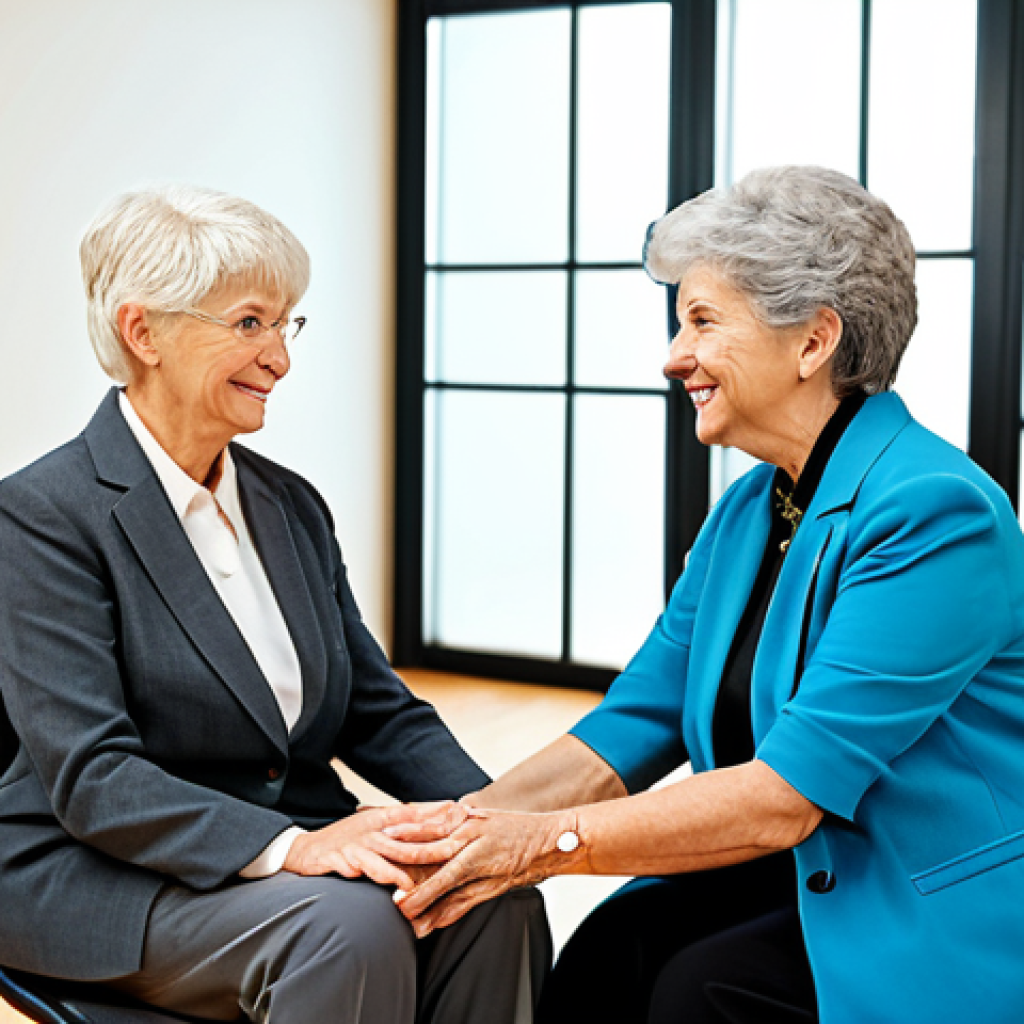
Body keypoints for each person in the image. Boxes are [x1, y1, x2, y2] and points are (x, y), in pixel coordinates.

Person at [385, 166, 1024, 1024]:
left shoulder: (938, 512)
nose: (673, 356)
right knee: (609, 956)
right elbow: (631, 725)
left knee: (698, 993)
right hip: (784, 875)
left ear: (813, 341)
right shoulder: (752, 510)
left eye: (702, 321)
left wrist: (543, 846)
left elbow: (785, 795)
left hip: (916, 904)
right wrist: (452, 834)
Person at [0, 185, 549, 1024]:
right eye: (250, 324)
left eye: (285, 325)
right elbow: (93, 775)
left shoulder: (290, 506)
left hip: (283, 845)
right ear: (143, 331)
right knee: (351, 928)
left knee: (489, 897)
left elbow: (377, 713)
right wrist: (294, 846)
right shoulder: (41, 516)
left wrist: (495, 826)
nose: (280, 358)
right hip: (96, 874)